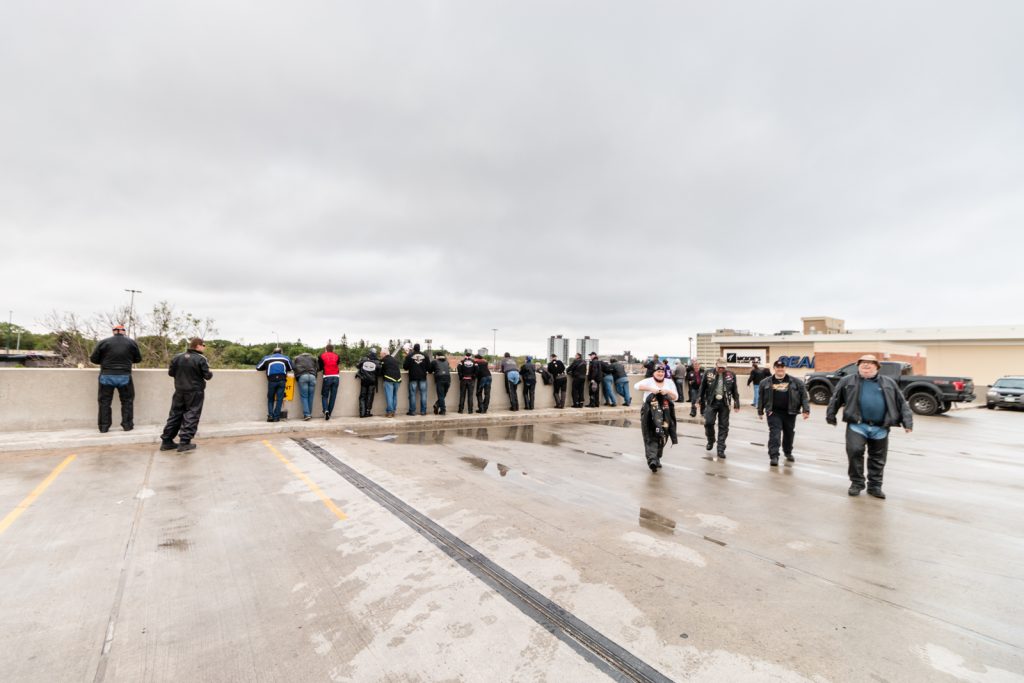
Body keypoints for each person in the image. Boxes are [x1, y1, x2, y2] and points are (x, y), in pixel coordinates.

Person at [825, 354, 913, 499]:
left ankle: (875, 486)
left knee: (878, 458)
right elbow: (835, 398)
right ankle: (857, 483)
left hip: (880, 427)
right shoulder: (847, 381)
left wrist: (907, 422)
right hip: (857, 425)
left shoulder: (889, 382)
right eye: (863, 363)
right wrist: (831, 415)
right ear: (858, 366)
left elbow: (901, 403)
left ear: (877, 367)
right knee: (854, 452)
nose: (866, 365)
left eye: (870, 363)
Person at [159, 338, 212, 452]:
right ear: (198, 346)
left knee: (175, 415)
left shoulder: (177, 357)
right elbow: (207, 376)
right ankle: (184, 442)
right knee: (192, 414)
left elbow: (171, 373)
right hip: (195, 391)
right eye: (203, 345)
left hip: (179, 390)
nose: (204, 347)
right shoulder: (201, 359)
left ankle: (166, 441)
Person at [89, 323, 142, 433]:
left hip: (106, 376)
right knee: (127, 402)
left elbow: (93, 359)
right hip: (124, 376)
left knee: (104, 402)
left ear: (113, 331)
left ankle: (104, 427)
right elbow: (138, 359)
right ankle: (127, 426)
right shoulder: (131, 343)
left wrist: (104, 361)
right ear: (123, 331)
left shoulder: (103, 342)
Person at [757, 359, 811, 466]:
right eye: (778, 367)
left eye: (782, 367)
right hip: (773, 412)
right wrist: (760, 411)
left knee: (789, 434)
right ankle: (774, 456)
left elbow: (804, 397)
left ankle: (788, 452)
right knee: (775, 434)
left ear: (785, 368)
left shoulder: (796, 382)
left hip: (790, 412)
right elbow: (761, 398)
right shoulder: (765, 382)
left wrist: (806, 410)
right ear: (774, 368)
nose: (780, 369)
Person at [633, 366, 679, 472]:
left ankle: (657, 457)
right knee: (649, 434)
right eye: (658, 371)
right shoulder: (648, 381)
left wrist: (667, 391)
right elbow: (636, 386)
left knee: (663, 435)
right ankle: (652, 460)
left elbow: (676, 397)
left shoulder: (669, 382)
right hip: (649, 411)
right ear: (654, 373)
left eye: (662, 372)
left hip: (665, 411)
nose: (660, 373)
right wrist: (651, 389)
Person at [699, 359, 740, 458]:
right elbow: (702, 387)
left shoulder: (731, 375)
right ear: (716, 365)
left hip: (724, 403)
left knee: (723, 426)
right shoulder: (708, 373)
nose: (721, 369)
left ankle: (720, 448)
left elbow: (735, 390)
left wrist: (736, 403)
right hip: (711, 402)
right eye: (719, 367)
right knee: (708, 423)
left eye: (723, 367)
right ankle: (711, 439)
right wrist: (698, 399)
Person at [256, 347, 293, 422]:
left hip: (272, 380)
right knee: (279, 399)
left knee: (270, 399)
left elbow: (258, 367)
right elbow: (291, 368)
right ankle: (276, 417)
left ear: (273, 352)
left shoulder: (266, 358)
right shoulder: (286, 358)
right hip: (282, 380)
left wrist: (266, 367)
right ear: (281, 352)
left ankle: (270, 416)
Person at [403, 343, 430, 416]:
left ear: (413, 348)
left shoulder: (409, 356)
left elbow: (405, 367)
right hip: (423, 377)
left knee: (412, 395)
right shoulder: (425, 356)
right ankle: (423, 411)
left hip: (413, 377)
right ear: (419, 348)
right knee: (423, 394)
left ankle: (412, 411)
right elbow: (429, 368)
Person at [355, 348, 382, 417]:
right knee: (370, 396)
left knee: (362, 396)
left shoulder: (364, 359)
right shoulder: (377, 361)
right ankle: (367, 412)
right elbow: (380, 372)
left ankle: (362, 413)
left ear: (369, 353)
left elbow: (357, 366)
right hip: (372, 381)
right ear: (375, 353)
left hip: (364, 380)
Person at [292, 351, 318, 421]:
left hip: (302, 377)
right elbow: (317, 368)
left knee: (304, 396)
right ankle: (309, 413)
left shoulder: (297, 358)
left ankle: (307, 414)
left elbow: (293, 367)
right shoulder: (313, 358)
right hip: (312, 377)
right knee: (311, 397)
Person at [318, 343, 340, 420]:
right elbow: (337, 364)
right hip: (336, 377)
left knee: (325, 395)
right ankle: (329, 413)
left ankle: (326, 411)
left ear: (326, 349)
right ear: (333, 349)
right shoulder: (337, 356)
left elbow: (320, 367)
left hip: (327, 376)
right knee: (333, 396)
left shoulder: (321, 356)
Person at [380, 349, 402, 418]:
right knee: (394, 396)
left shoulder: (384, 360)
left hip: (389, 379)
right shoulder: (394, 359)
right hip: (398, 379)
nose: (380, 355)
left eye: (381, 354)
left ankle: (389, 412)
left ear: (384, 354)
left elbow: (381, 371)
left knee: (389, 396)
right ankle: (393, 411)